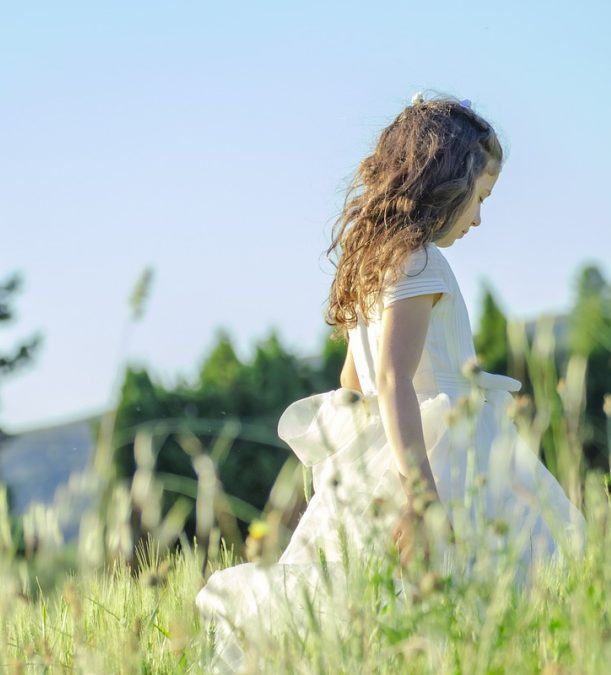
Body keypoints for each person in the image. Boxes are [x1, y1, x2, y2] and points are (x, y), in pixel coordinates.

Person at [195, 92, 585, 671]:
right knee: (505, 580)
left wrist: (347, 468)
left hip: (391, 447)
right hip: (443, 452)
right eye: (479, 199)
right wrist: (422, 499)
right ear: (447, 182)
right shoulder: (421, 262)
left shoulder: (373, 259)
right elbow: (393, 377)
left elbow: (355, 382)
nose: (478, 217)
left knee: (384, 604)